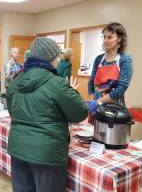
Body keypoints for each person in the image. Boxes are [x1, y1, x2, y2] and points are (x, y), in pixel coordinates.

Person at [6, 37, 88, 192]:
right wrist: (73, 92)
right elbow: (80, 114)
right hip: (47, 154)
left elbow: (13, 111)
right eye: (57, 56)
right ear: (52, 58)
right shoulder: (57, 84)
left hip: (18, 147)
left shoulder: (16, 81)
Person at [87, 22, 133, 115]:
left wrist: (99, 102)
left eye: (110, 37)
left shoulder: (125, 59)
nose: (105, 40)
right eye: (104, 37)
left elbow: (122, 88)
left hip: (114, 109)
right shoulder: (99, 59)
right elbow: (91, 83)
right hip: (96, 108)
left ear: (119, 39)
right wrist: (93, 101)